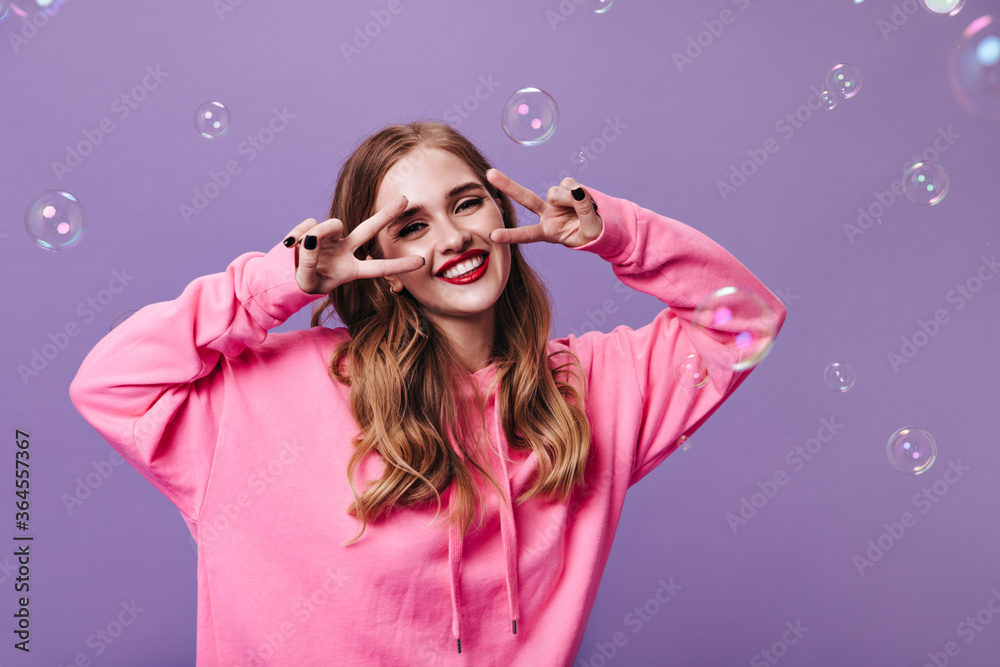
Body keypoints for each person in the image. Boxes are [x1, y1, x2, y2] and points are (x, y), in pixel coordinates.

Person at [69, 120, 786, 666]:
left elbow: (744, 319)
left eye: (466, 203)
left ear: (500, 215)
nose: (453, 239)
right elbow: (110, 384)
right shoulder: (269, 394)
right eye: (413, 225)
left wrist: (617, 234)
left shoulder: (591, 389)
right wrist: (277, 282)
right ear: (378, 265)